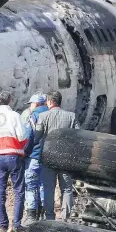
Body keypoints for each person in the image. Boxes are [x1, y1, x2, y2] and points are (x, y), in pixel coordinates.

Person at [0, 90, 28, 232]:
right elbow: (22, 136)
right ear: (10, 100)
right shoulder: (15, 116)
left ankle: (3, 225)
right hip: (14, 155)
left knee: (0, 191)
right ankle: (16, 225)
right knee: (18, 191)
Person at [34, 90, 79, 221]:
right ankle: (65, 217)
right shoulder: (71, 116)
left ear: (49, 101)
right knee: (67, 189)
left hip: (48, 158)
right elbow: (78, 137)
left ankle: (49, 217)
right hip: (66, 158)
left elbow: (37, 137)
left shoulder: (43, 116)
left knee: (49, 188)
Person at [22, 94, 49, 227]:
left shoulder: (33, 116)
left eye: (31, 104)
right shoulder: (51, 115)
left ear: (36, 104)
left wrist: (24, 152)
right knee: (44, 185)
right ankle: (44, 215)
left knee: (31, 186)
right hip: (48, 158)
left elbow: (28, 137)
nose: (30, 106)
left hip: (34, 156)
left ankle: (32, 216)